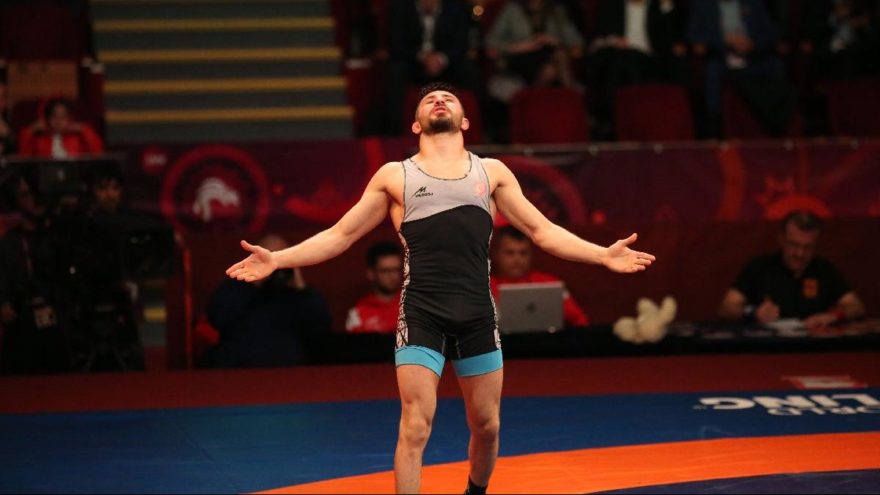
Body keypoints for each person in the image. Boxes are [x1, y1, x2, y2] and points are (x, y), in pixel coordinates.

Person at [226, 82, 655, 494]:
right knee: (415, 425)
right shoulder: (396, 175)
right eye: (430, 99)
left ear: (465, 121)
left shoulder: (491, 172)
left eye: (448, 98)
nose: (439, 100)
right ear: (416, 124)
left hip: (477, 316)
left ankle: (475, 490)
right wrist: (278, 259)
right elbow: (340, 235)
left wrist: (602, 254)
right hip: (422, 314)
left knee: (487, 426)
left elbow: (542, 231)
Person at [718, 210, 865, 330]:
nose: (800, 254)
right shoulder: (760, 267)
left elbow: (856, 306)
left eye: (808, 247)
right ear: (781, 239)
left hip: (812, 349)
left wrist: (832, 316)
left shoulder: (824, 269)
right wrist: (753, 313)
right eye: (794, 245)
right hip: (768, 349)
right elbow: (726, 308)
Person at [210, 234, 331, 368]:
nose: (274, 264)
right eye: (268, 256)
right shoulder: (236, 288)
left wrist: (300, 285)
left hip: (291, 370)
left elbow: (321, 329)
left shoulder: (298, 296)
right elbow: (218, 318)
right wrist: (254, 280)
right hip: (242, 368)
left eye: (280, 257)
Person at [490, 225, 588, 327]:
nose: (517, 259)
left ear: (531, 255)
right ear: (496, 255)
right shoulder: (484, 288)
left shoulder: (550, 284)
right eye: (509, 253)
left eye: (523, 253)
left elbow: (579, 320)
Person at [346, 241, 403, 334]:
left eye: (396, 270)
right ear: (371, 273)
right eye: (385, 271)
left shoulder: (413, 307)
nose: (393, 276)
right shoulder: (358, 313)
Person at [17, 98, 103, 158]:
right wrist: (31, 130)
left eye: (63, 116)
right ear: (47, 119)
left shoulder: (77, 139)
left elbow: (97, 153)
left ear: (70, 119)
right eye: (54, 116)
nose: (58, 120)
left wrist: (83, 129)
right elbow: (24, 156)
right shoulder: (40, 140)